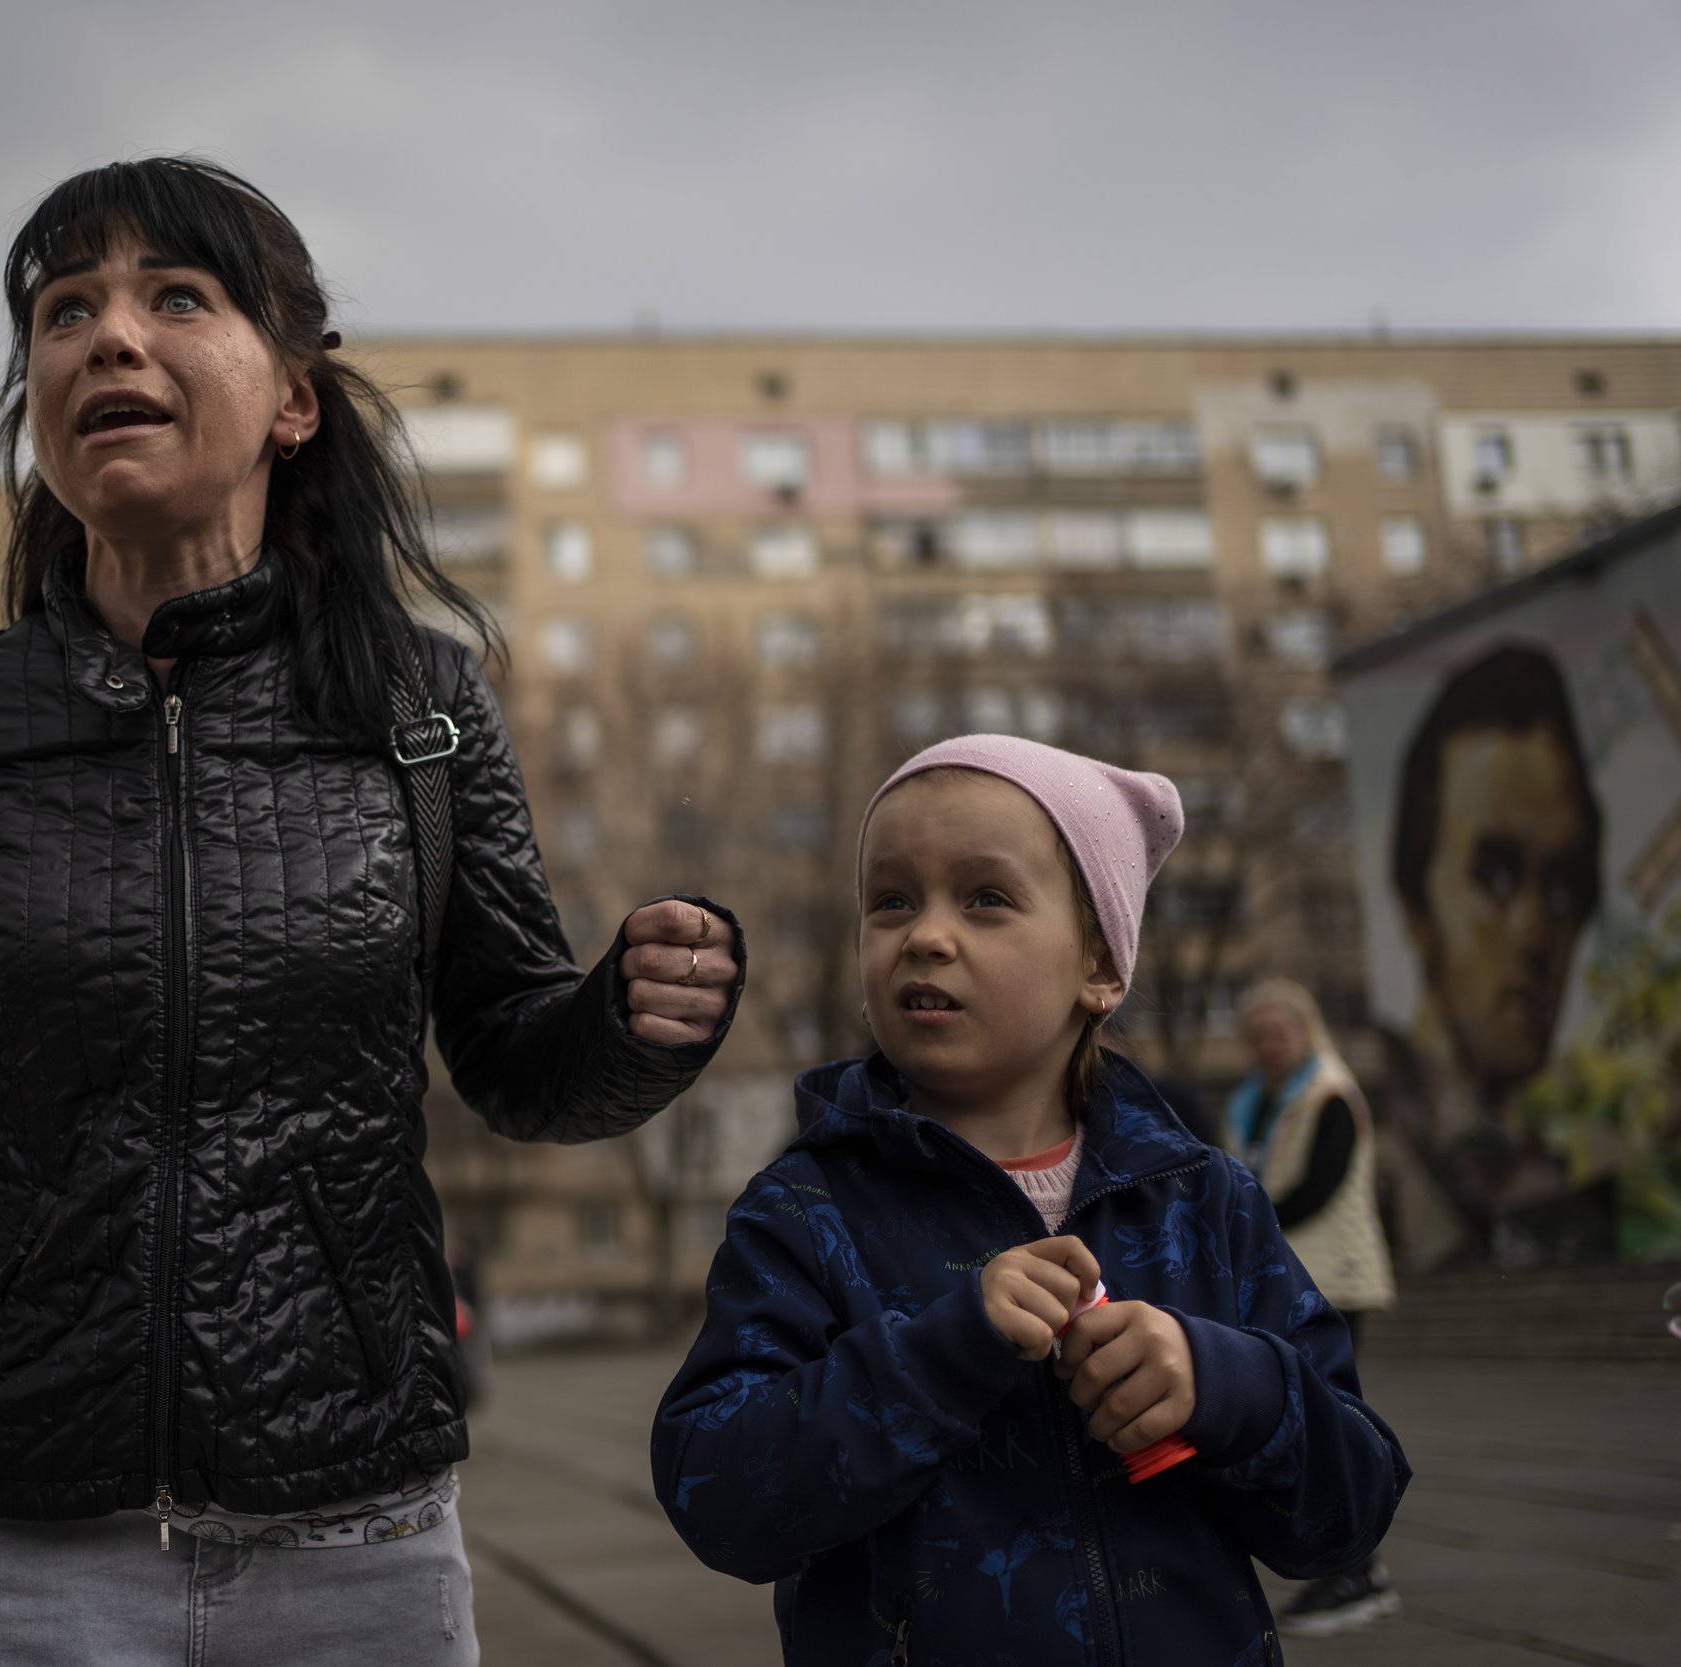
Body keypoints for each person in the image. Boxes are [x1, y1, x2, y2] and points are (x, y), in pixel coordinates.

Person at [0, 157, 743, 1664]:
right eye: (63, 309)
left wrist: (628, 1016)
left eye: (177, 296)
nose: (109, 336)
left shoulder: (418, 707)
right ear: (37, 400)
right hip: (18, 1535)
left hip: (351, 1525)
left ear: (293, 397)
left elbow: (513, 1053)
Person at [654, 735, 1406, 1665]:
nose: (925, 933)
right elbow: (716, 1494)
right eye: (891, 899)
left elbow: (1351, 1509)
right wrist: (937, 1357)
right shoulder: (807, 1210)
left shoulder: (1203, 1201)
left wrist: (1225, 1384)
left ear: (1098, 965)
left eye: (987, 898)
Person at [1388, 642, 1605, 1262]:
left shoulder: (1570, 1154)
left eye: (1563, 884)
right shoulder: (1409, 1151)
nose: (1538, 933)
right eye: (1497, 877)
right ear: (1414, 903)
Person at [1230, 977, 1400, 1634]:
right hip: (1295, 1274)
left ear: (1307, 1032)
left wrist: (1242, 1218)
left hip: (1335, 1275)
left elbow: (1317, 1188)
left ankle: (1359, 1570)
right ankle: (1343, 1565)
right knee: (1313, 1418)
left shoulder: (1329, 1093)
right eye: (1258, 1037)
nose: (1269, 1046)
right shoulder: (1258, 1102)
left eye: (1281, 1033)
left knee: (1332, 1419)